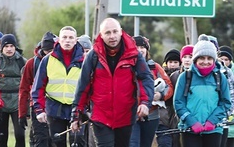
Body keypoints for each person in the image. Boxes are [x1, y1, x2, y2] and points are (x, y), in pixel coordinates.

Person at [70, 18, 154, 147]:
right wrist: (76, 114)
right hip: (100, 116)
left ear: (121, 32)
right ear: (101, 35)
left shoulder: (134, 54)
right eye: (108, 33)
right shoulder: (93, 56)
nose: (112, 36)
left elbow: (145, 78)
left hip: (126, 115)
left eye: (115, 31)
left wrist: (145, 103)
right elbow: (83, 85)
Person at [31, 26, 85, 147]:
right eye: (64, 37)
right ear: (59, 40)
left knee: (78, 142)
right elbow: (38, 87)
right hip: (54, 109)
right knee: (57, 142)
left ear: (76, 40)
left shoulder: (84, 61)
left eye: (71, 38)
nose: (67, 40)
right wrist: (39, 110)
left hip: (77, 109)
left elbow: (92, 86)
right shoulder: (47, 60)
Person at [173, 39, 231, 147]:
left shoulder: (220, 77)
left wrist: (212, 121)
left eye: (209, 58)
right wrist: (191, 121)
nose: (206, 61)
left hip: (214, 129)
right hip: (189, 129)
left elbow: (225, 103)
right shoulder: (185, 77)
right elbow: (178, 103)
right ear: (195, 59)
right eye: (202, 58)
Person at [129, 36, 173, 147]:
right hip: (130, 114)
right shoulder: (126, 66)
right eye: (136, 47)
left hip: (151, 116)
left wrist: (161, 95)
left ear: (147, 49)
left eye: (142, 47)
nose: (139, 50)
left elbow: (169, 87)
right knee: (133, 144)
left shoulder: (155, 67)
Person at [18, 31, 57, 147]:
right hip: (37, 107)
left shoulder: (61, 62)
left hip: (56, 106)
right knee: (41, 140)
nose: (49, 54)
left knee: (55, 140)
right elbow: (24, 88)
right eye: (46, 51)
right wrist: (22, 113)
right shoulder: (31, 64)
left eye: (51, 51)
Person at [0, 34, 27, 147]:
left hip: (17, 102)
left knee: (20, 135)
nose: (9, 49)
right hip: (1, 103)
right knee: (2, 136)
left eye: (11, 46)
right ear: (2, 48)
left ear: (15, 47)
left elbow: (28, 84)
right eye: (6, 46)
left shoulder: (22, 62)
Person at [169, 45, 194, 147]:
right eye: (185, 57)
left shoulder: (198, 76)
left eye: (190, 57)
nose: (187, 60)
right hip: (176, 116)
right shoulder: (174, 76)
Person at [157, 49, 181, 147]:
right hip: (163, 115)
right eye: (170, 62)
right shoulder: (161, 76)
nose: (173, 64)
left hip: (176, 116)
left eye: (175, 62)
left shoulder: (183, 76)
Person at [218, 45, 234, 147]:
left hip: (230, 114)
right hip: (220, 117)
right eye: (221, 59)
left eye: (226, 59)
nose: (224, 61)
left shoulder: (230, 74)